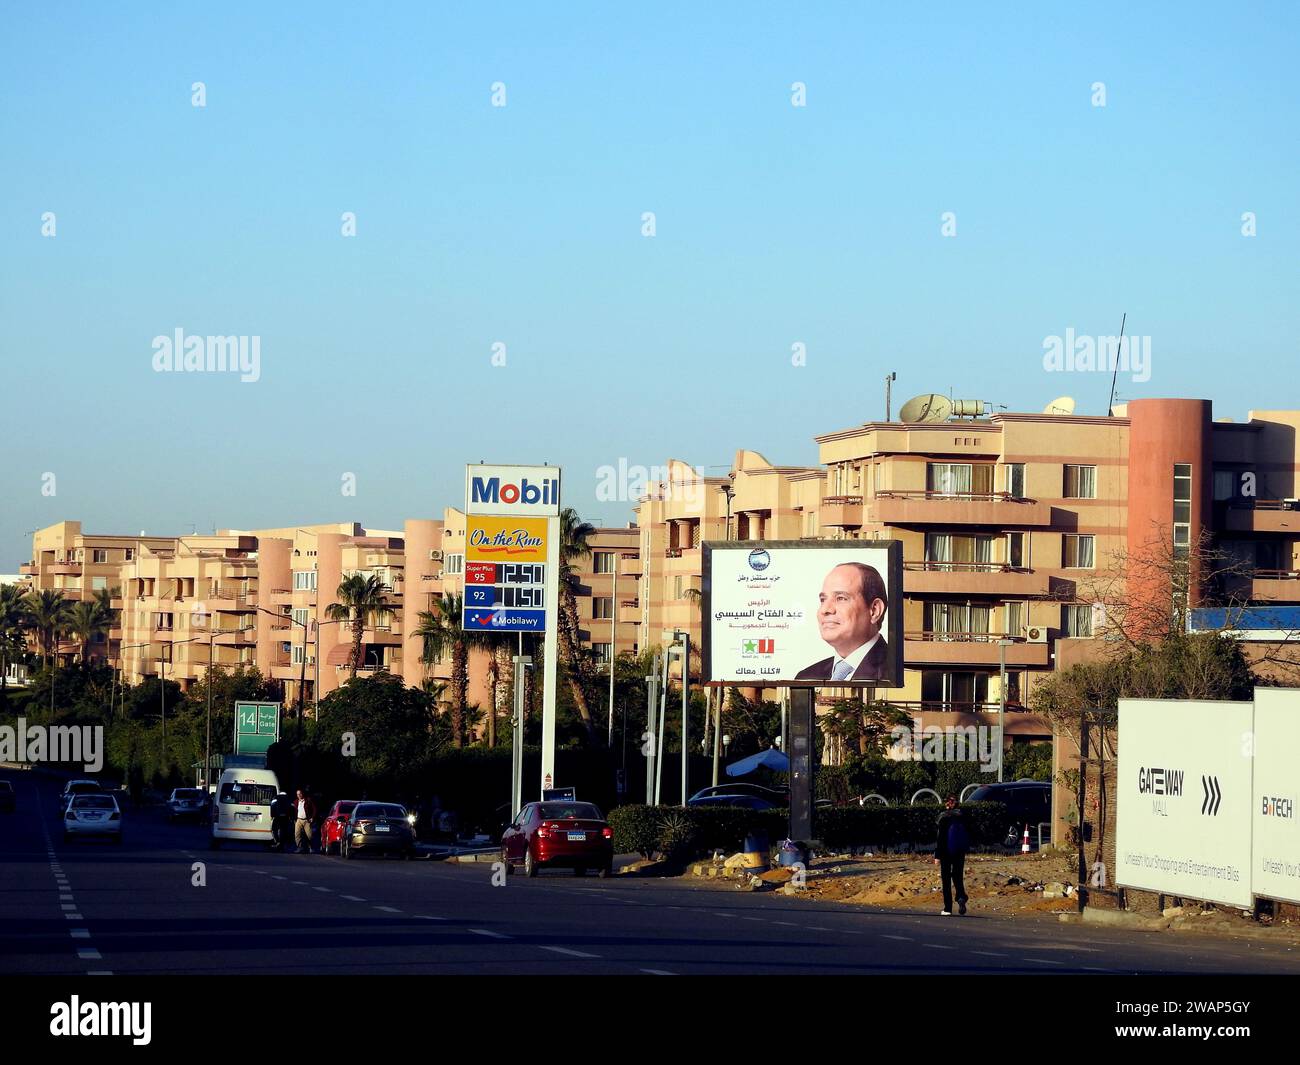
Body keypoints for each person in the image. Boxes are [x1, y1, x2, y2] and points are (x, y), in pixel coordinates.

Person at [795, 562, 891, 682]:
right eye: (823, 599)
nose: (825, 610)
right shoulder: (805, 677)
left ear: (874, 610)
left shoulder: (896, 672)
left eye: (841, 598)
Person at [934, 794, 970, 916]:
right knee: (957, 875)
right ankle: (961, 896)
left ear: (947, 804)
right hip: (960, 851)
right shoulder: (963, 816)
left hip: (945, 852)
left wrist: (937, 855)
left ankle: (947, 908)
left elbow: (940, 838)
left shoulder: (943, 817)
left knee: (946, 879)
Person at [294, 787, 317, 854]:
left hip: (306, 820)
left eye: (300, 794)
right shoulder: (295, 802)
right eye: (297, 794)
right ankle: (299, 847)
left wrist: (312, 817)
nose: (299, 795)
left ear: (302, 794)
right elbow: (293, 811)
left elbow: (314, 809)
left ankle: (311, 848)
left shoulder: (308, 800)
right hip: (299, 820)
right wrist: (294, 819)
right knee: (297, 834)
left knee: (309, 835)